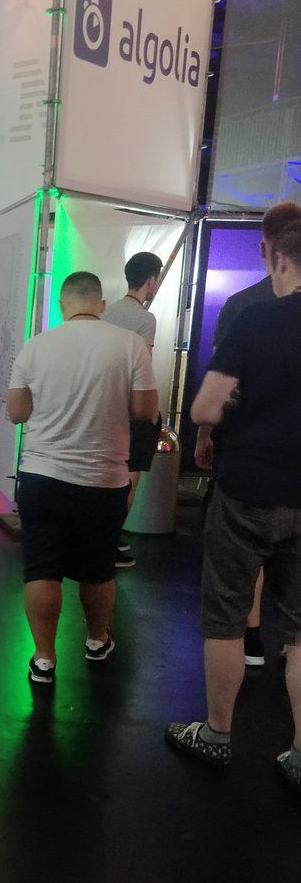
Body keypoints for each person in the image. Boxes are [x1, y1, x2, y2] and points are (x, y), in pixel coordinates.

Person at [165, 220, 301, 783]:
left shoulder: (255, 319)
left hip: (248, 488)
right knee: (300, 631)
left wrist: (240, 400)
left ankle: (217, 735)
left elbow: (203, 409)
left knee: (225, 616)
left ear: (277, 259)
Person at [7, 271, 158, 685]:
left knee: (42, 568)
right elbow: (146, 411)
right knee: (98, 567)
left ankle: (44, 658)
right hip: (104, 479)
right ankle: (96, 640)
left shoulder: (36, 346)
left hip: (42, 476)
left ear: (62, 305)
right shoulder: (130, 344)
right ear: (102, 305)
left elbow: (16, 412)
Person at [194, 201, 301, 667]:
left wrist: (204, 436)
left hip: (248, 471)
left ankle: (250, 639)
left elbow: (211, 402)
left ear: (270, 251)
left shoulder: (245, 309)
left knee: (226, 612)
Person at [103, 251, 164, 569]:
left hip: (106, 406)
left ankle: (105, 537)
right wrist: (151, 412)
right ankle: (109, 542)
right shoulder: (145, 319)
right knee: (129, 478)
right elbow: (144, 369)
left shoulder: (107, 312)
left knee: (107, 475)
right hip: (132, 410)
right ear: (151, 280)